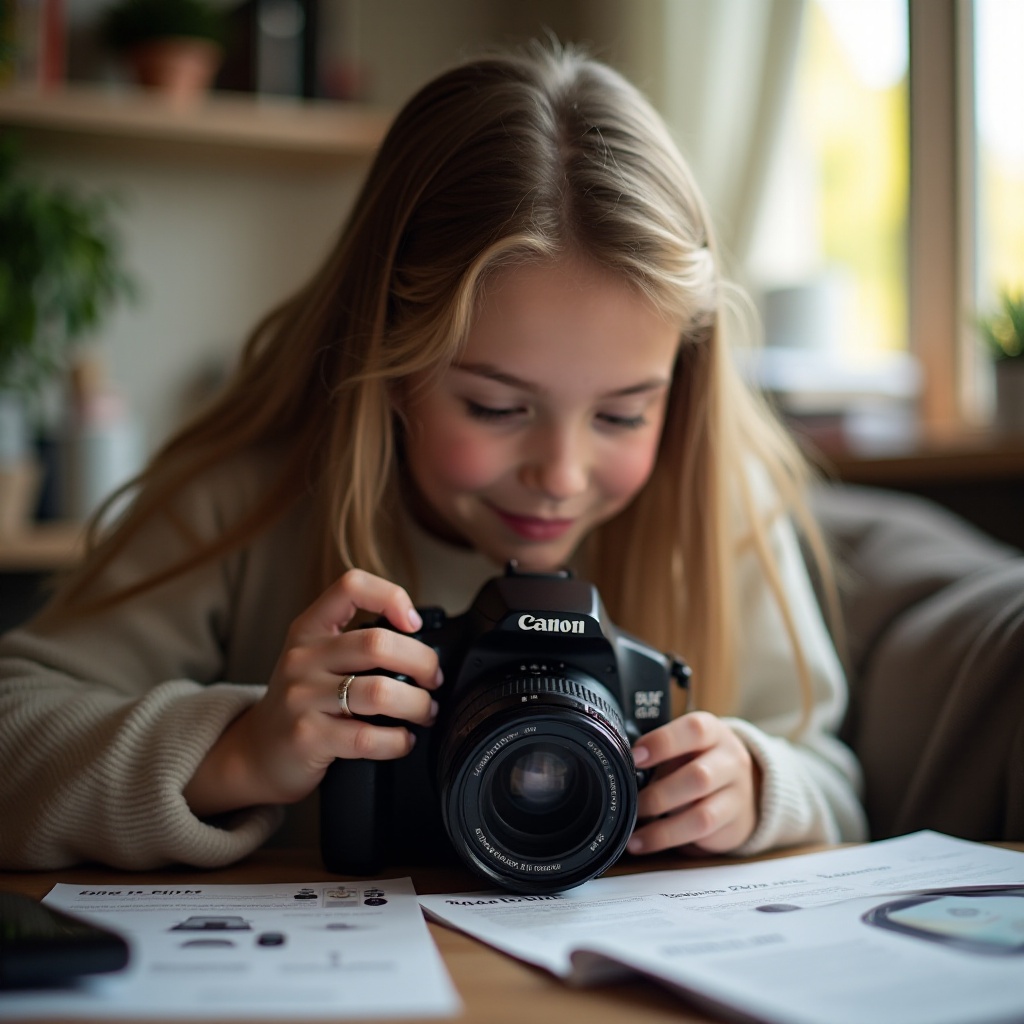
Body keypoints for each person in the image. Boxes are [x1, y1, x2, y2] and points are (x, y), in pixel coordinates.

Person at [0, 40, 866, 871]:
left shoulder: (718, 509)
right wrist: (241, 750)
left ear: (682, 387)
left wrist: (755, 787)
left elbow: (834, 785)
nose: (561, 476)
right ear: (385, 357)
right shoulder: (241, 504)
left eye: (623, 415)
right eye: (496, 407)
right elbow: (14, 733)